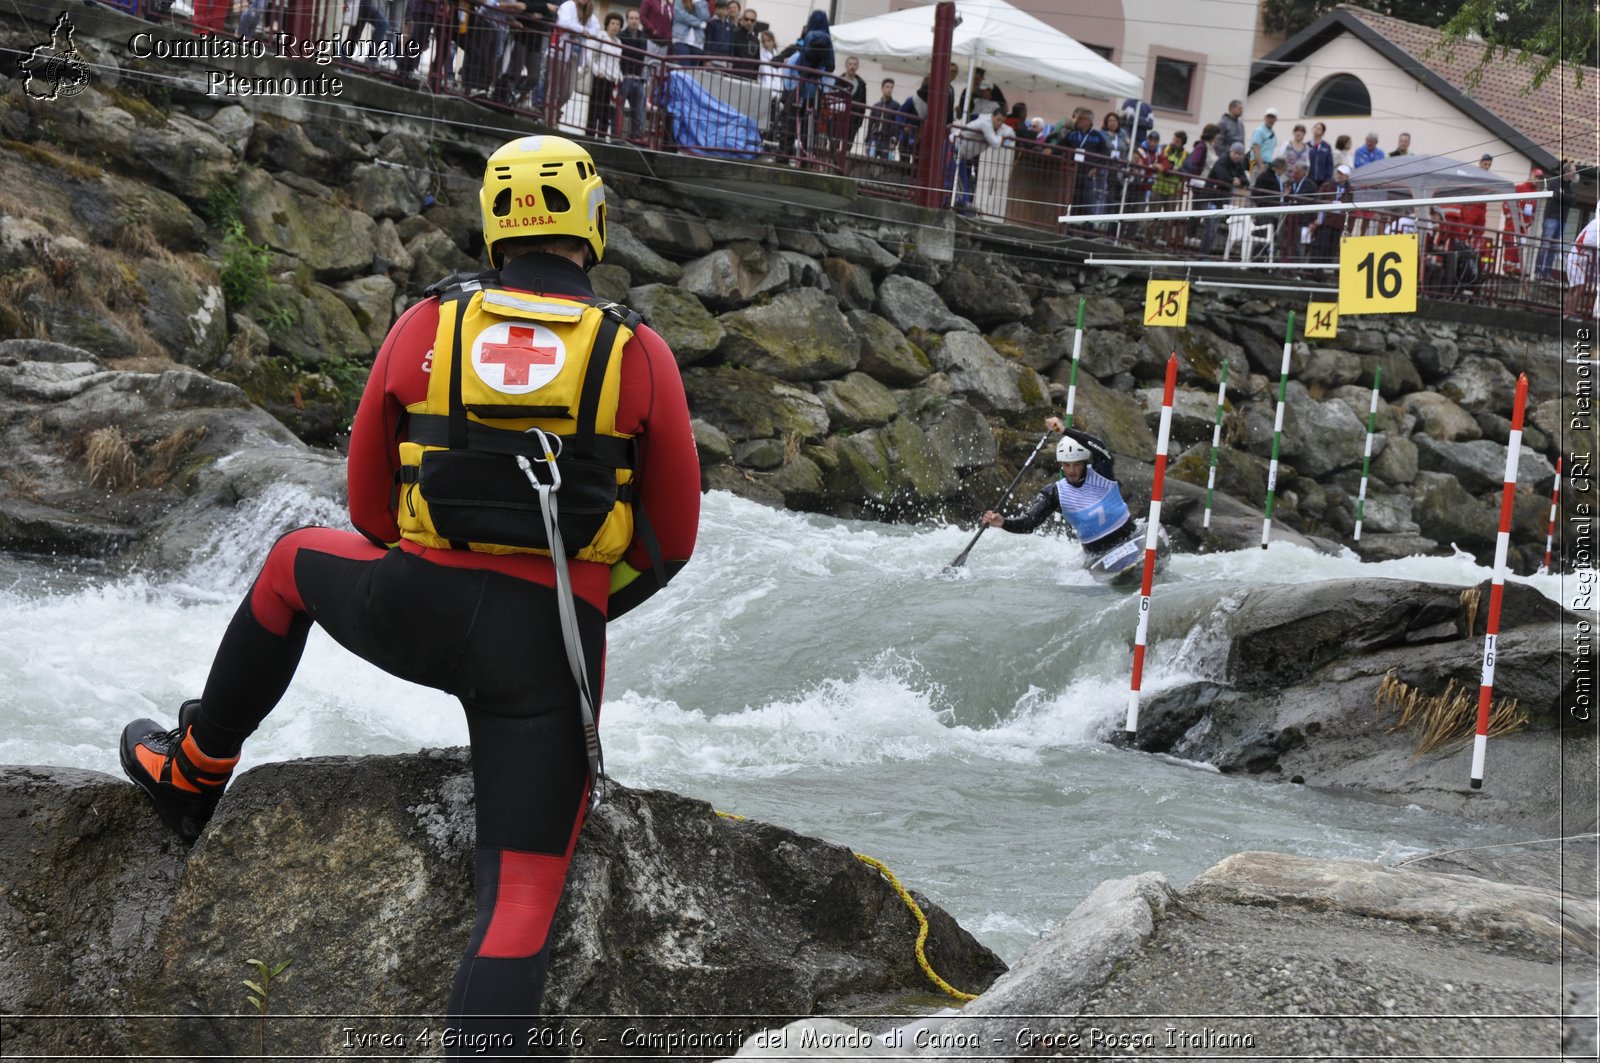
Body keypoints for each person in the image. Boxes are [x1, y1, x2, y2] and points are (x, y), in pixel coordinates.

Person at [118, 135, 701, 1051]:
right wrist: (573, 606)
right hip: (545, 656)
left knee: (287, 563)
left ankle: (192, 769)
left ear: (493, 224)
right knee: (517, 904)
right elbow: (671, 545)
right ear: (591, 225)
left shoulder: (428, 323)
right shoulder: (640, 352)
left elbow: (365, 509)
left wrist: (435, 563)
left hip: (412, 605)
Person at [981, 421, 1141, 567]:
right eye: (1066, 465)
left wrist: (1066, 431)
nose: (1071, 471)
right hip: (1097, 555)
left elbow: (1100, 447)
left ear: (1085, 462)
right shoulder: (1054, 493)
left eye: (1077, 464)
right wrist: (1003, 522)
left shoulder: (1102, 472)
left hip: (1129, 538)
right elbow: (1029, 522)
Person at [950, 109, 1010, 213]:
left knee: (961, 179)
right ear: (992, 116)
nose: (1000, 123)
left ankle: (962, 205)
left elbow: (1010, 133)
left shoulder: (988, 124)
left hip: (960, 151)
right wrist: (1002, 136)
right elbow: (995, 143)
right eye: (998, 120)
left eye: (1002, 121)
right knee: (957, 179)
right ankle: (961, 205)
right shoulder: (986, 124)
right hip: (954, 149)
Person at [1201, 141, 1249, 253]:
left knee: (1213, 228)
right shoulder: (1222, 161)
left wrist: (1239, 180)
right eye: (1235, 153)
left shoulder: (1239, 165)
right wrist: (1234, 180)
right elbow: (1223, 175)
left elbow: (1246, 180)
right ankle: (1203, 254)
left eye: (1239, 154)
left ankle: (1205, 253)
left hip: (1221, 200)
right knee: (1210, 228)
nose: (1237, 156)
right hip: (1210, 198)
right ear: (1230, 152)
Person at [586, 11, 624, 137]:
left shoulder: (619, 42)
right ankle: (590, 133)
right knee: (595, 107)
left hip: (612, 80)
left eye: (618, 24)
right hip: (600, 77)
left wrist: (619, 76)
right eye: (612, 23)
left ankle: (602, 135)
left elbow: (617, 61)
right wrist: (596, 70)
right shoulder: (601, 36)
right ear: (607, 24)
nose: (615, 26)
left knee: (606, 111)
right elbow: (589, 54)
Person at [1538, 159, 1576, 280]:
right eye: (1573, 172)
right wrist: (1565, 196)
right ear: (1567, 172)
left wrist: (1563, 195)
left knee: (1554, 247)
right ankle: (1539, 271)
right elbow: (1554, 195)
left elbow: (1573, 200)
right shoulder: (1555, 182)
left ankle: (1547, 273)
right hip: (1551, 217)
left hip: (1562, 219)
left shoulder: (1569, 186)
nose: (1575, 175)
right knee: (1545, 244)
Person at [1309, 162, 1354, 261]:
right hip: (1325, 221)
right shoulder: (1327, 186)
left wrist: (1348, 228)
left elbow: (1350, 210)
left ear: (1347, 176)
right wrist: (1315, 220)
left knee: (1332, 248)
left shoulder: (1349, 190)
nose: (1339, 176)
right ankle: (1314, 268)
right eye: (1338, 173)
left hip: (1339, 223)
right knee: (1320, 245)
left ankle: (1324, 269)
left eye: (1342, 174)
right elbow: (1318, 201)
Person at [618, 7, 650, 139]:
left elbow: (644, 57)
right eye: (631, 18)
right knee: (618, 107)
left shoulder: (643, 36)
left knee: (638, 110)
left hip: (638, 77)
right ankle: (616, 134)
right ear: (627, 20)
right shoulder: (621, 35)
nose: (634, 21)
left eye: (636, 18)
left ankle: (635, 136)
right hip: (624, 76)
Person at [1565, 214, 1598, 319]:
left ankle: (1568, 314)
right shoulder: (1596, 223)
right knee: (1578, 287)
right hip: (1576, 258)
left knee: (1576, 288)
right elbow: (1588, 241)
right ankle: (1568, 314)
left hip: (1580, 260)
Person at [838, 55, 868, 149]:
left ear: (857, 67)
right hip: (839, 117)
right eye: (850, 64)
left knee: (848, 145)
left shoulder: (861, 84)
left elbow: (863, 104)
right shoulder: (838, 81)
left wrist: (859, 121)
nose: (852, 66)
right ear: (846, 65)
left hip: (853, 119)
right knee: (835, 143)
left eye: (854, 64)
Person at [865, 77, 900, 158]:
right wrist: (867, 140)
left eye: (891, 87)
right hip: (874, 138)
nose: (889, 89)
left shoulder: (896, 106)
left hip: (887, 140)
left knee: (885, 165)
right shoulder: (876, 106)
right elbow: (870, 124)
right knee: (870, 160)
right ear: (882, 88)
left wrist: (894, 142)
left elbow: (897, 127)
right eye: (887, 87)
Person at [1248, 107, 1277, 174]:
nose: (1270, 120)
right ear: (1265, 118)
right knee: (1255, 184)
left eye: (1272, 117)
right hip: (1257, 164)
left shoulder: (1272, 133)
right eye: (1268, 117)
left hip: (1268, 164)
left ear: (1275, 119)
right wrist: (1261, 165)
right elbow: (1256, 149)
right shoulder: (1259, 131)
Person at [1306, 121, 1333, 185]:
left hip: (1322, 180)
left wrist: (1328, 179)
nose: (1316, 130)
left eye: (1319, 129)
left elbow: (1329, 164)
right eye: (1315, 127)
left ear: (1323, 132)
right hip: (1308, 179)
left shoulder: (1326, 146)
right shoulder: (1307, 145)